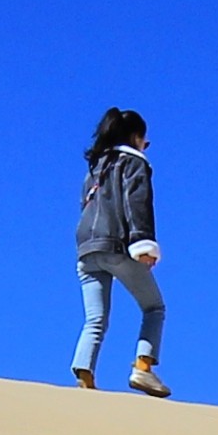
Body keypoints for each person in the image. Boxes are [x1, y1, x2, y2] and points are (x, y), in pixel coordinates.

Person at [71, 108, 167, 396]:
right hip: (117, 246)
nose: (145, 146)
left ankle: (85, 376)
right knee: (154, 308)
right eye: (145, 141)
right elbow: (136, 202)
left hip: (87, 250)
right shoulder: (133, 162)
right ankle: (143, 368)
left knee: (95, 319)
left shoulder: (95, 168)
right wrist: (143, 243)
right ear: (136, 137)